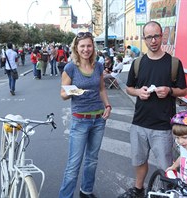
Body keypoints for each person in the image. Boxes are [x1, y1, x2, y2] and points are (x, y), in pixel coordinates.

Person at [118, 21, 187, 198]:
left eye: (156, 36)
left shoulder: (174, 63)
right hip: (139, 122)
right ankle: (138, 189)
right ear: (144, 39)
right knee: (139, 160)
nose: (153, 40)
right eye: (149, 37)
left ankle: (169, 192)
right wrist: (138, 92)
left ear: (162, 35)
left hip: (163, 125)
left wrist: (170, 91)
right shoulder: (137, 63)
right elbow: (129, 88)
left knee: (166, 165)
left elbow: (183, 90)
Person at [59, 32, 112, 198]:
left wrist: (108, 105)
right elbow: (63, 94)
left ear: (93, 47)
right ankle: (65, 196)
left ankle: (86, 191)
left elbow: (102, 88)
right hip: (80, 120)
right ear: (76, 47)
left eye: (89, 45)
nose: (86, 49)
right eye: (82, 46)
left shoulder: (98, 66)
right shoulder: (70, 68)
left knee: (92, 160)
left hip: (98, 120)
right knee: (74, 164)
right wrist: (75, 91)